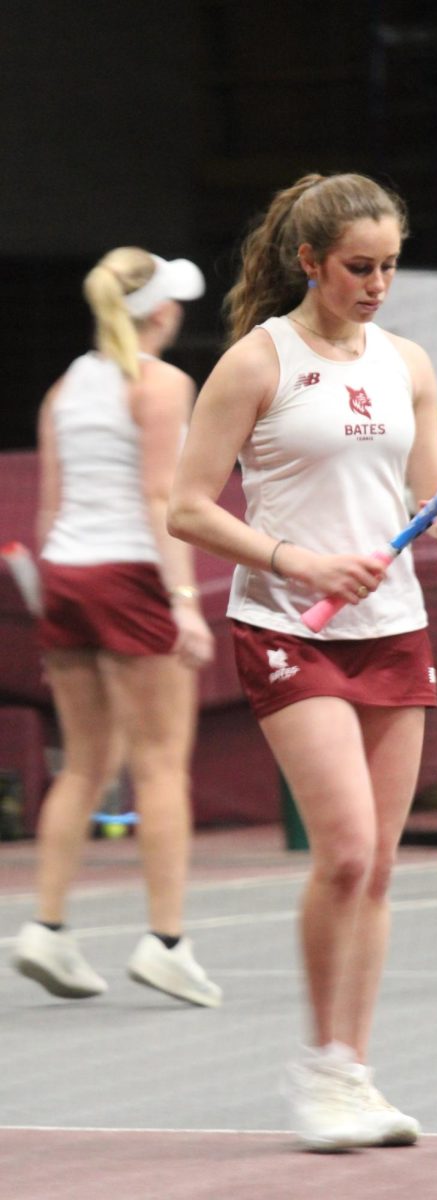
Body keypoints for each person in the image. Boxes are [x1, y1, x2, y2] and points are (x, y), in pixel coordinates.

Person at [167, 173, 437, 1147]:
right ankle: (314, 1071)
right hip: (285, 625)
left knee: (378, 867)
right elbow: (184, 504)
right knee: (342, 849)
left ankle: (352, 1071)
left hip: (392, 625)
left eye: (389, 265)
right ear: (309, 263)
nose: (377, 283)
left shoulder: (410, 364)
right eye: (359, 266)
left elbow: (429, 494)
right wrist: (292, 558)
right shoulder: (255, 363)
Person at [12, 246, 222, 1009]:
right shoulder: (164, 385)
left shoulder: (65, 386)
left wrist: (52, 605)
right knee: (162, 766)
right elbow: (162, 495)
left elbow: (47, 508)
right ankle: (167, 944)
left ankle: (48, 928)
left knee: (84, 764)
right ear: (159, 312)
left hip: (65, 578)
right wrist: (186, 604)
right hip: (130, 577)